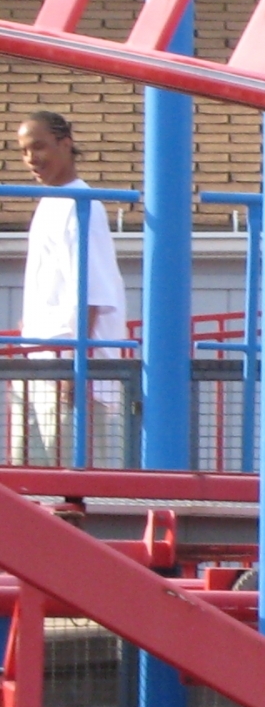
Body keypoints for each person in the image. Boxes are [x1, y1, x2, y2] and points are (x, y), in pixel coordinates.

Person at [13, 111, 128, 464]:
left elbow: (91, 290)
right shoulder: (51, 202)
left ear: (66, 144)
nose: (32, 158)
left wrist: (76, 369)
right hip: (41, 365)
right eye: (24, 150)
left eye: (39, 147)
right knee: (30, 484)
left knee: (71, 486)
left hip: (69, 373)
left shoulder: (81, 206)